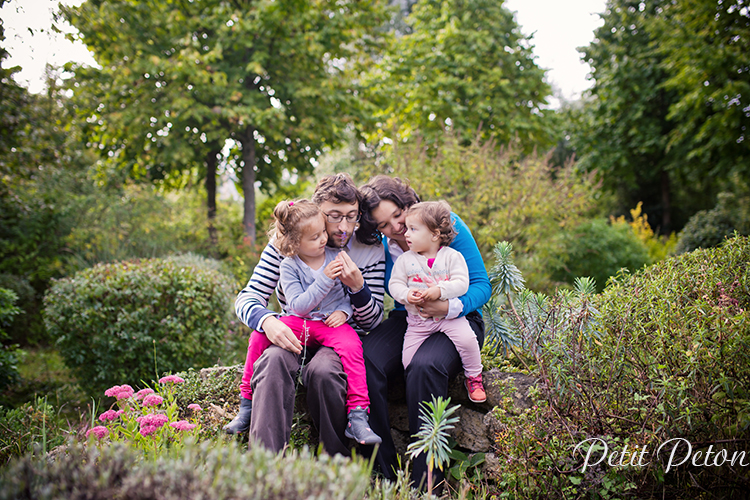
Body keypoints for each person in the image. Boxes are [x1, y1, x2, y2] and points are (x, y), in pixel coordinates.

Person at [226, 173, 385, 456]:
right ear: (316, 211)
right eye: (334, 216)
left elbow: (373, 321)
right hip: (294, 330)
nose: (343, 226)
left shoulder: (368, 249)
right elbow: (247, 297)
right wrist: (268, 321)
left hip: (336, 336)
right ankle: (264, 466)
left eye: (352, 216)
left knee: (324, 372)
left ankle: (335, 464)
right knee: (272, 360)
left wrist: (358, 288)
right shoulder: (286, 243)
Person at [358, 176, 491, 487]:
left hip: (459, 318)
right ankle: (383, 476)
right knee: (365, 359)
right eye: (384, 225)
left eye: (397, 215)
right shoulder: (383, 244)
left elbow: (482, 285)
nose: (396, 228)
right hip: (411, 319)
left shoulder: (442, 224)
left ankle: (427, 484)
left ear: (408, 203)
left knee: (424, 365)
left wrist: (448, 307)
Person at [388, 201, 486, 403]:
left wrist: (440, 291)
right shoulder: (405, 260)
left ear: (434, 234)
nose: (405, 234)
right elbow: (394, 284)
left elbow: (462, 283)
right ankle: (412, 386)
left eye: (413, 229)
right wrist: (407, 295)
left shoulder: (452, 256)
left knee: (467, 340)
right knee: (408, 359)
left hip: (449, 318)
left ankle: (474, 376)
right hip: (418, 323)